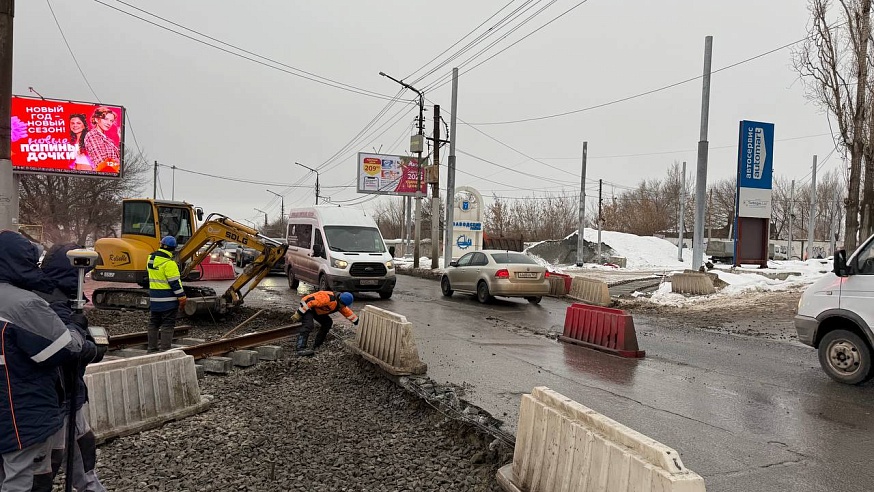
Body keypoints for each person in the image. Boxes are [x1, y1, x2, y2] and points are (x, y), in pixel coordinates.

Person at [0, 231, 96, 491]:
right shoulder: (25, 304)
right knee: (26, 479)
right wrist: (79, 332)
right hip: (23, 407)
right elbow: (63, 349)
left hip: (17, 404)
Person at [37, 244, 106, 492]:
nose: (86, 277)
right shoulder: (54, 304)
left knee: (82, 450)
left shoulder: (54, 297)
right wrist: (92, 348)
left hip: (68, 395)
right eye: (83, 271)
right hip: (59, 398)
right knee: (48, 465)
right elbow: (66, 349)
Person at [147, 236, 187, 352]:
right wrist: (182, 297)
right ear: (173, 249)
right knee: (168, 324)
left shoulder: (151, 258)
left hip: (154, 298)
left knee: (154, 323)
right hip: (168, 300)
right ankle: (165, 349)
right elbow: (174, 283)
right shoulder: (169, 264)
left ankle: (152, 348)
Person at [290, 291, 358, 356]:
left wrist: (357, 321)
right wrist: (299, 313)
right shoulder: (327, 298)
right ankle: (300, 348)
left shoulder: (340, 304)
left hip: (317, 311)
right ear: (340, 301)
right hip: (308, 308)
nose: (344, 307)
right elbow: (308, 301)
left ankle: (317, 345)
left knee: (327, 323)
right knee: (308, 325)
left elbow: (347, 312)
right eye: (344, 305)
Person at [82, 107, 120, 173]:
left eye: (111, 121)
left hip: (112, 173)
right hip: (103, 172)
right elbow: (101, 162)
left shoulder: (108, 140)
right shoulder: (92, 135)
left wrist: (120, 139)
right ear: (96, 119)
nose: (109, 123)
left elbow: (120, 159)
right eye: (105, 119)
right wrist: (116, 162)